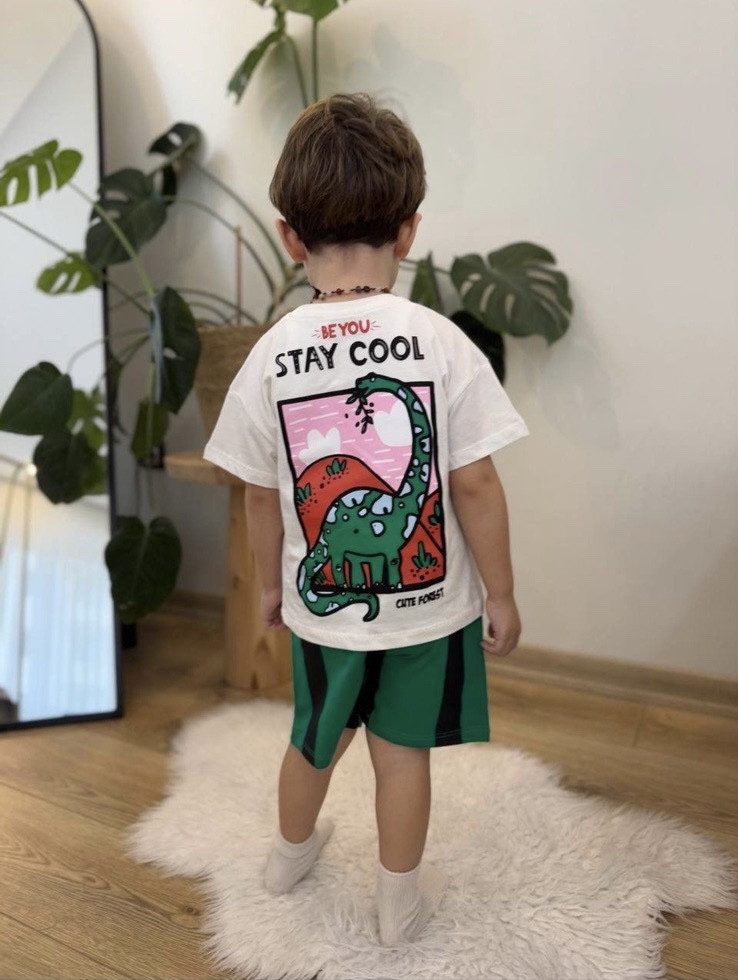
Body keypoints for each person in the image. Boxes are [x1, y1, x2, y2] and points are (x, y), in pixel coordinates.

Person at [203, 92, 529, 947]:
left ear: (290, 237)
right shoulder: (440, 341)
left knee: (314, 737)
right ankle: (396, 905)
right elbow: (476, 482)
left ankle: (287, 857)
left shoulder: (271, 354)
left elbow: (259, 492)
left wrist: (270, 588)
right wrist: (501, 592)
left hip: (326, 614)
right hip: (426, 611)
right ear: (409, 230)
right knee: (401, 753)